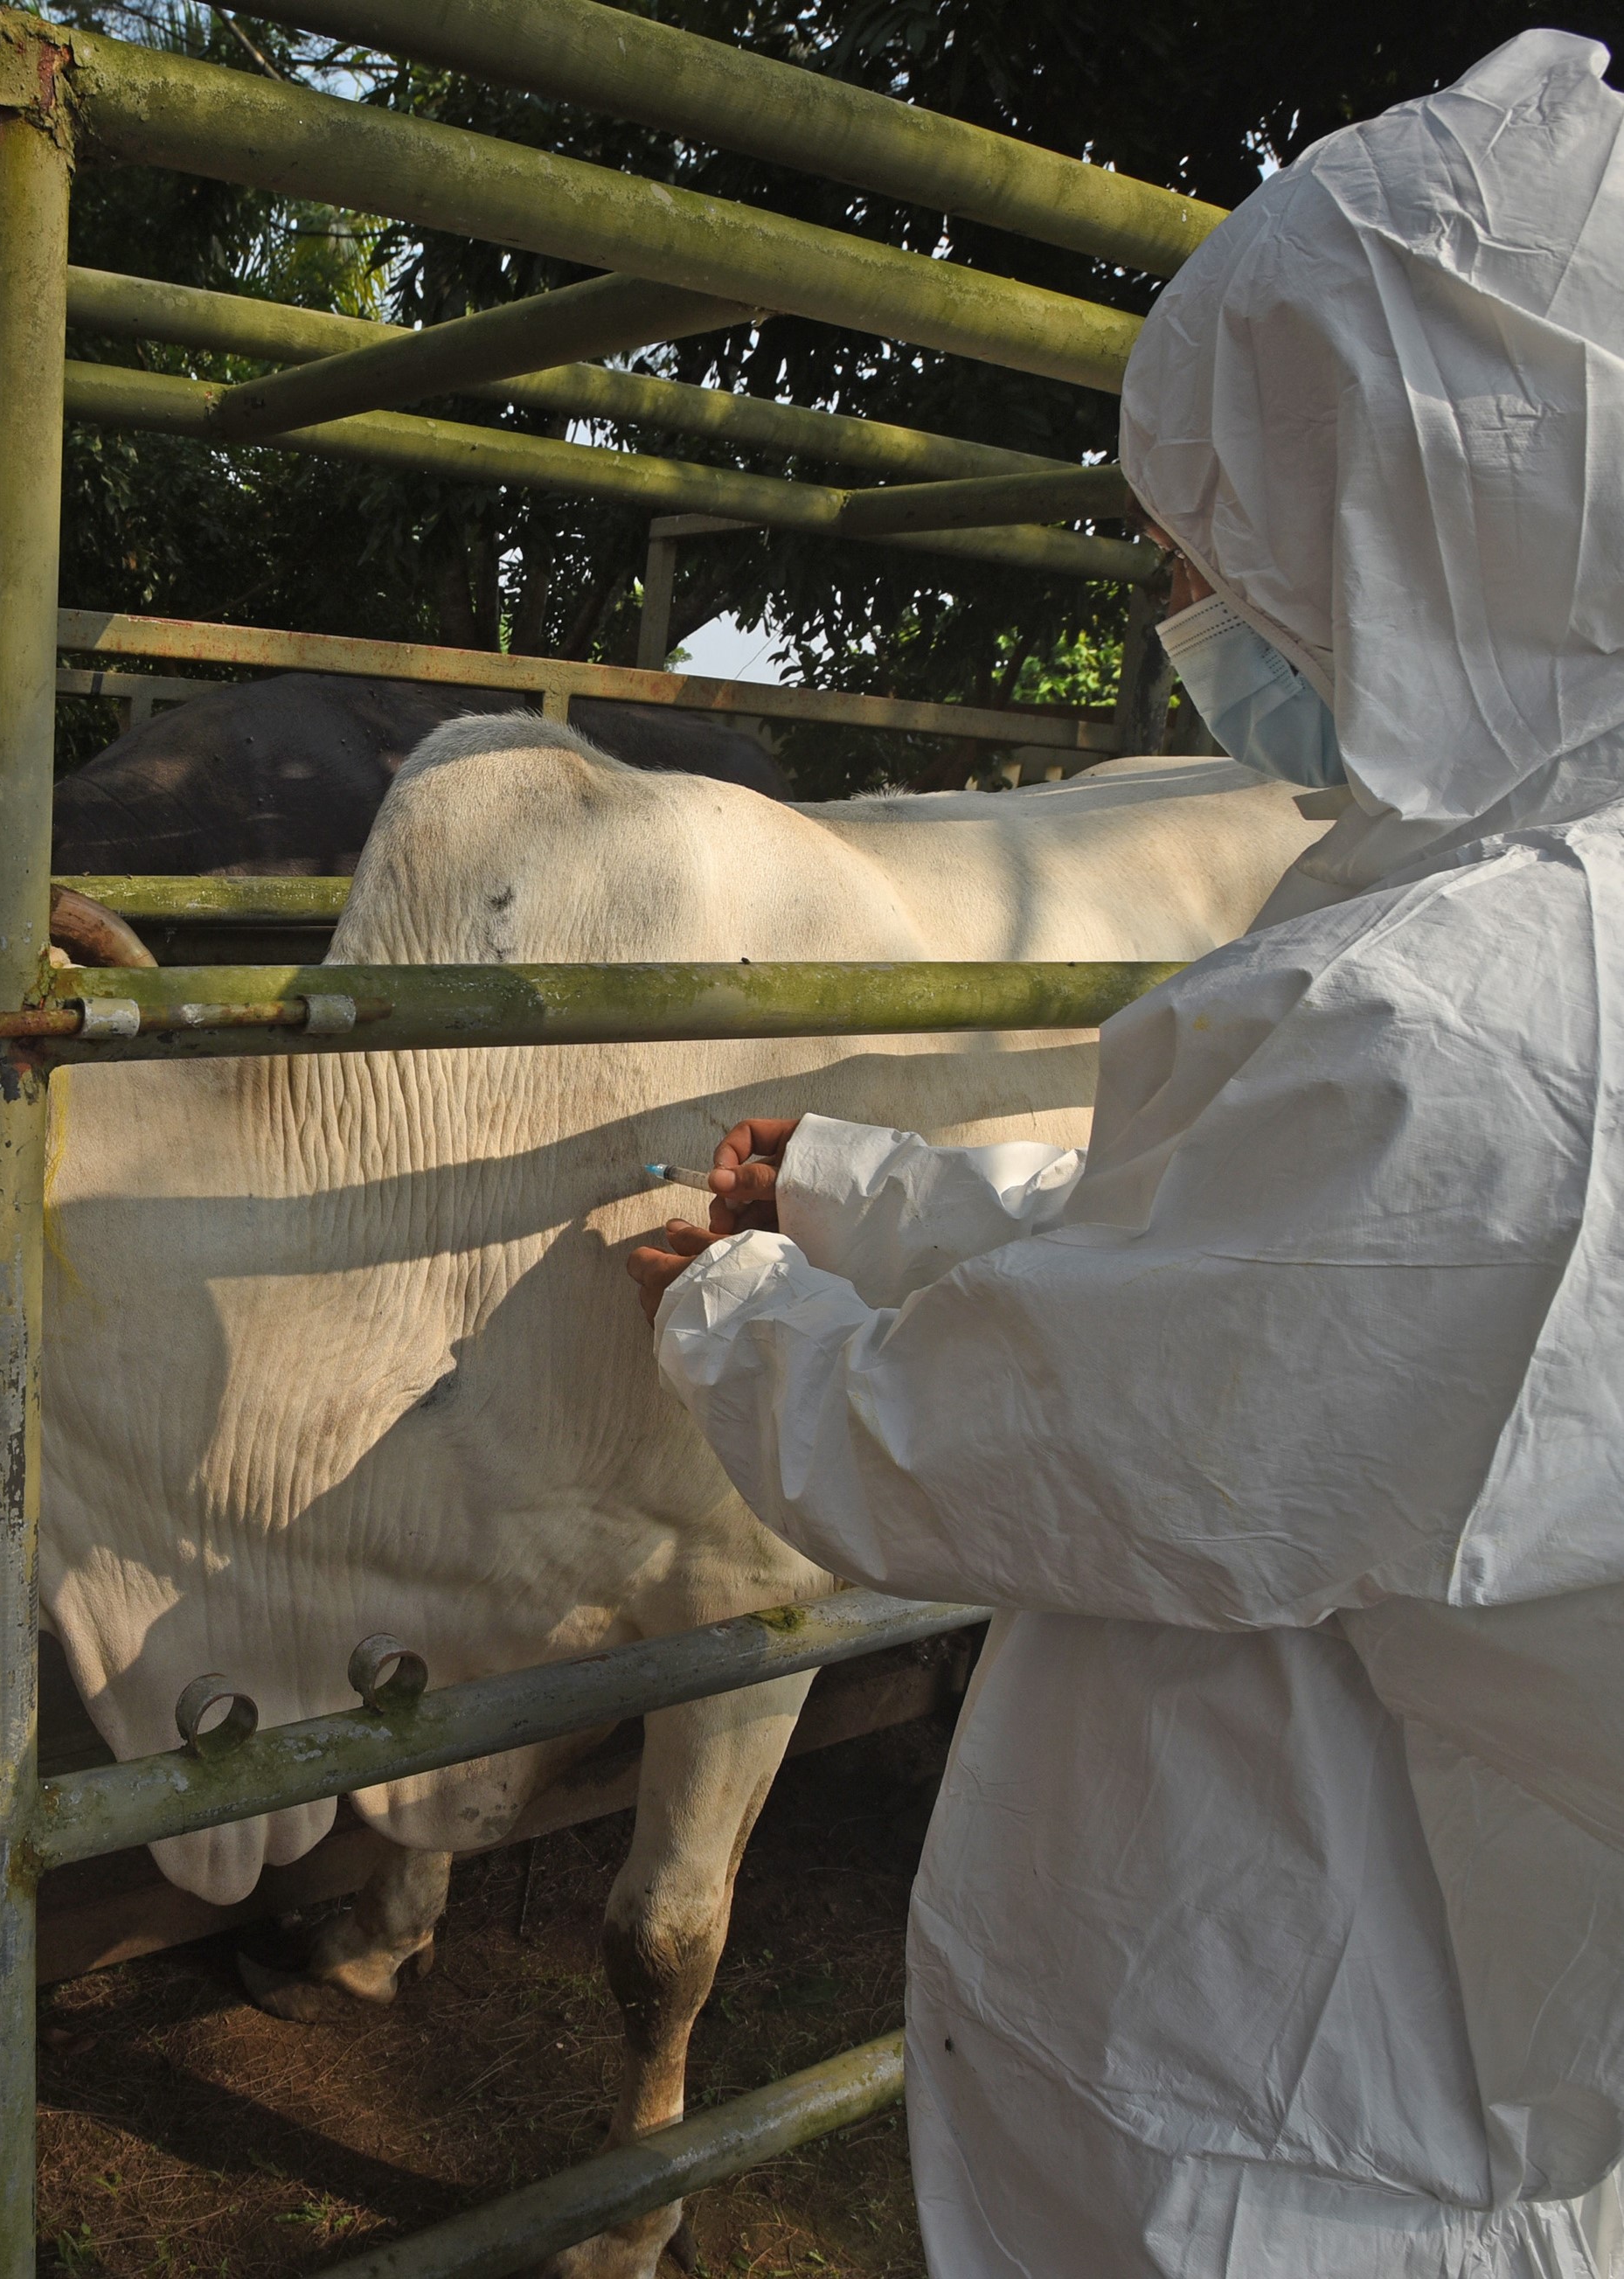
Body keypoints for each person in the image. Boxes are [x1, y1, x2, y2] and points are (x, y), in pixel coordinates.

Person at [625, 30, 1624, 2278]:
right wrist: (868, 1180)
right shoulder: (1481, 900)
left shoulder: (1480, 1002)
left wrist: (731, 1306)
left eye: (1234, 521)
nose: (1199, 595)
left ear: (1438, 489)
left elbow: (1034, 1434)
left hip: (1293, 2084)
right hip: (1407, 1992)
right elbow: (1235, 1283)